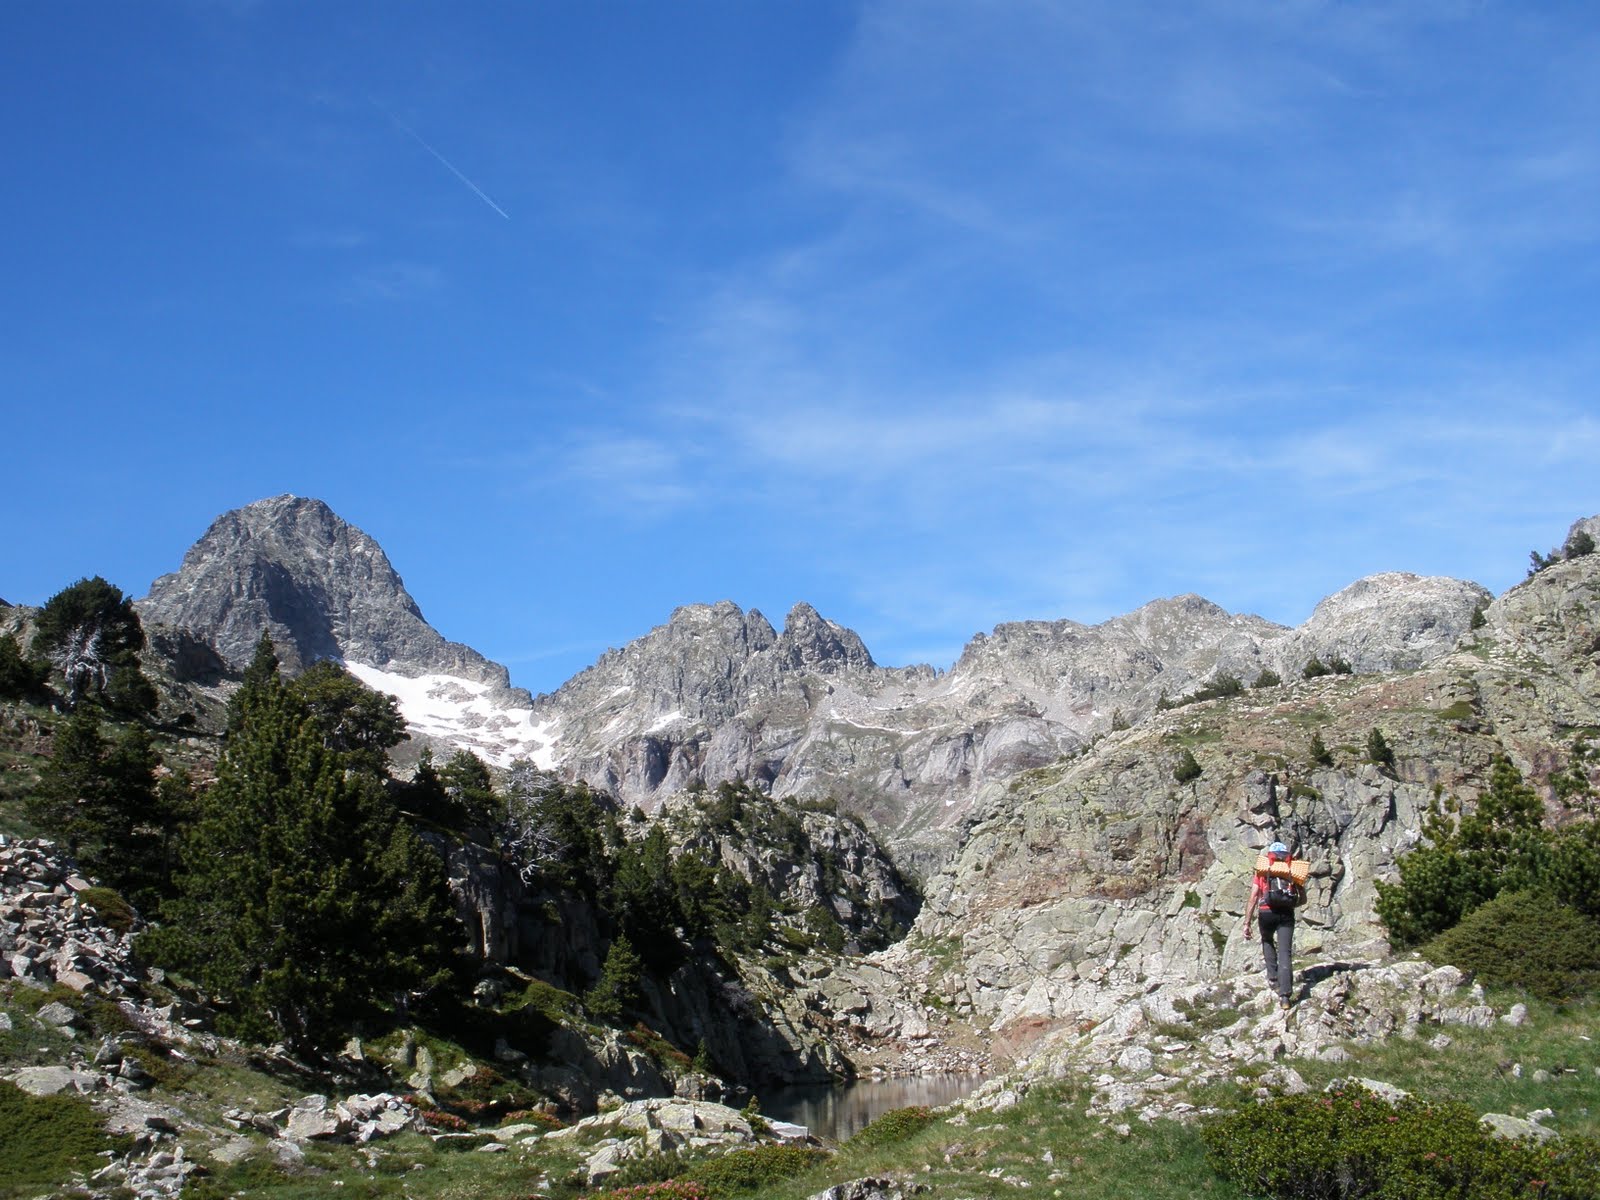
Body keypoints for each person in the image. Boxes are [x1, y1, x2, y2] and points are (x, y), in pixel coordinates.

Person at [1244, 841, 1297, 1010]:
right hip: (1286, 913)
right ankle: (1285, 996)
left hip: (1266, 912)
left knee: (1267, 941)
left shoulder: (1263, 870)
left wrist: (1247, 923)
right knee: (1285, 952)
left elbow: (1253, 897)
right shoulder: (1291, 870)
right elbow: (1301, 897)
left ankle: (1273, 979)